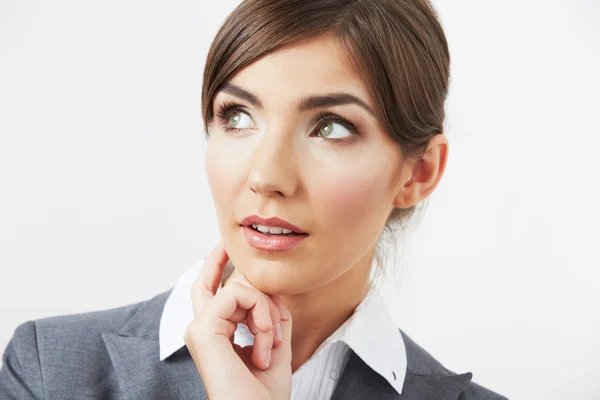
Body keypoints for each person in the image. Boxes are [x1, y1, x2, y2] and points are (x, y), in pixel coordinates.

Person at [0, 0, 508, 398]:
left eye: (331, 127)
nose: (267, 176)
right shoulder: (51, 372)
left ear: (417, 172)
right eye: (238, 116)